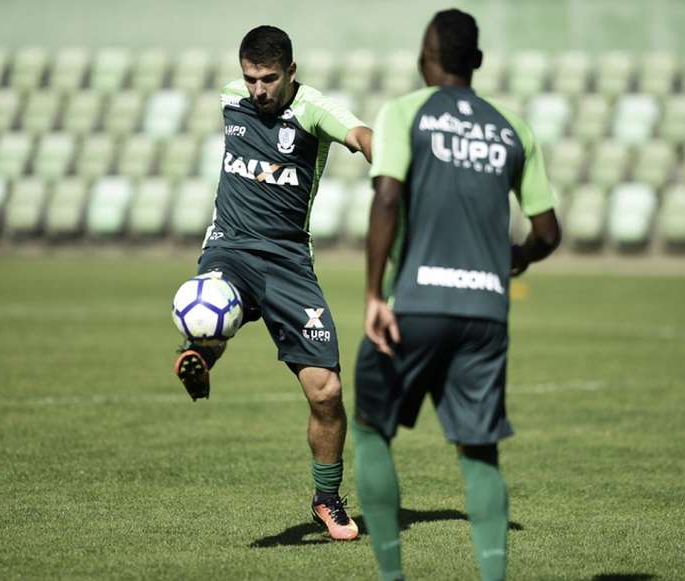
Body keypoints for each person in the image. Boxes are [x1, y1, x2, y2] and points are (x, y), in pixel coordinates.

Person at [352, 9, 561, 580]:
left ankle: (392, 577)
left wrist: (374, 294)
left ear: (425, 58)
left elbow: (388, 199)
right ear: (478, 62)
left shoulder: (403, 112)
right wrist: (514, 258)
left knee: (371, 427)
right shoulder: (512, 127)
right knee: (479, 451)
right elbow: (546, 233)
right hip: (487, 312)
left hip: (416, 304)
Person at [173, 25, 372, 541]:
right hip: (230, 248)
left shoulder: (312, 110)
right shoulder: (231, 98)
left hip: (288, 263)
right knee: (207, 302)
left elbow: (360, 135)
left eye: (268, 79)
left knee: (326, 392)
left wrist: (391, 161)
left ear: (291, 72)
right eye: (250, 79)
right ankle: (200, 353)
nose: (257, 90)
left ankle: (326, 500)